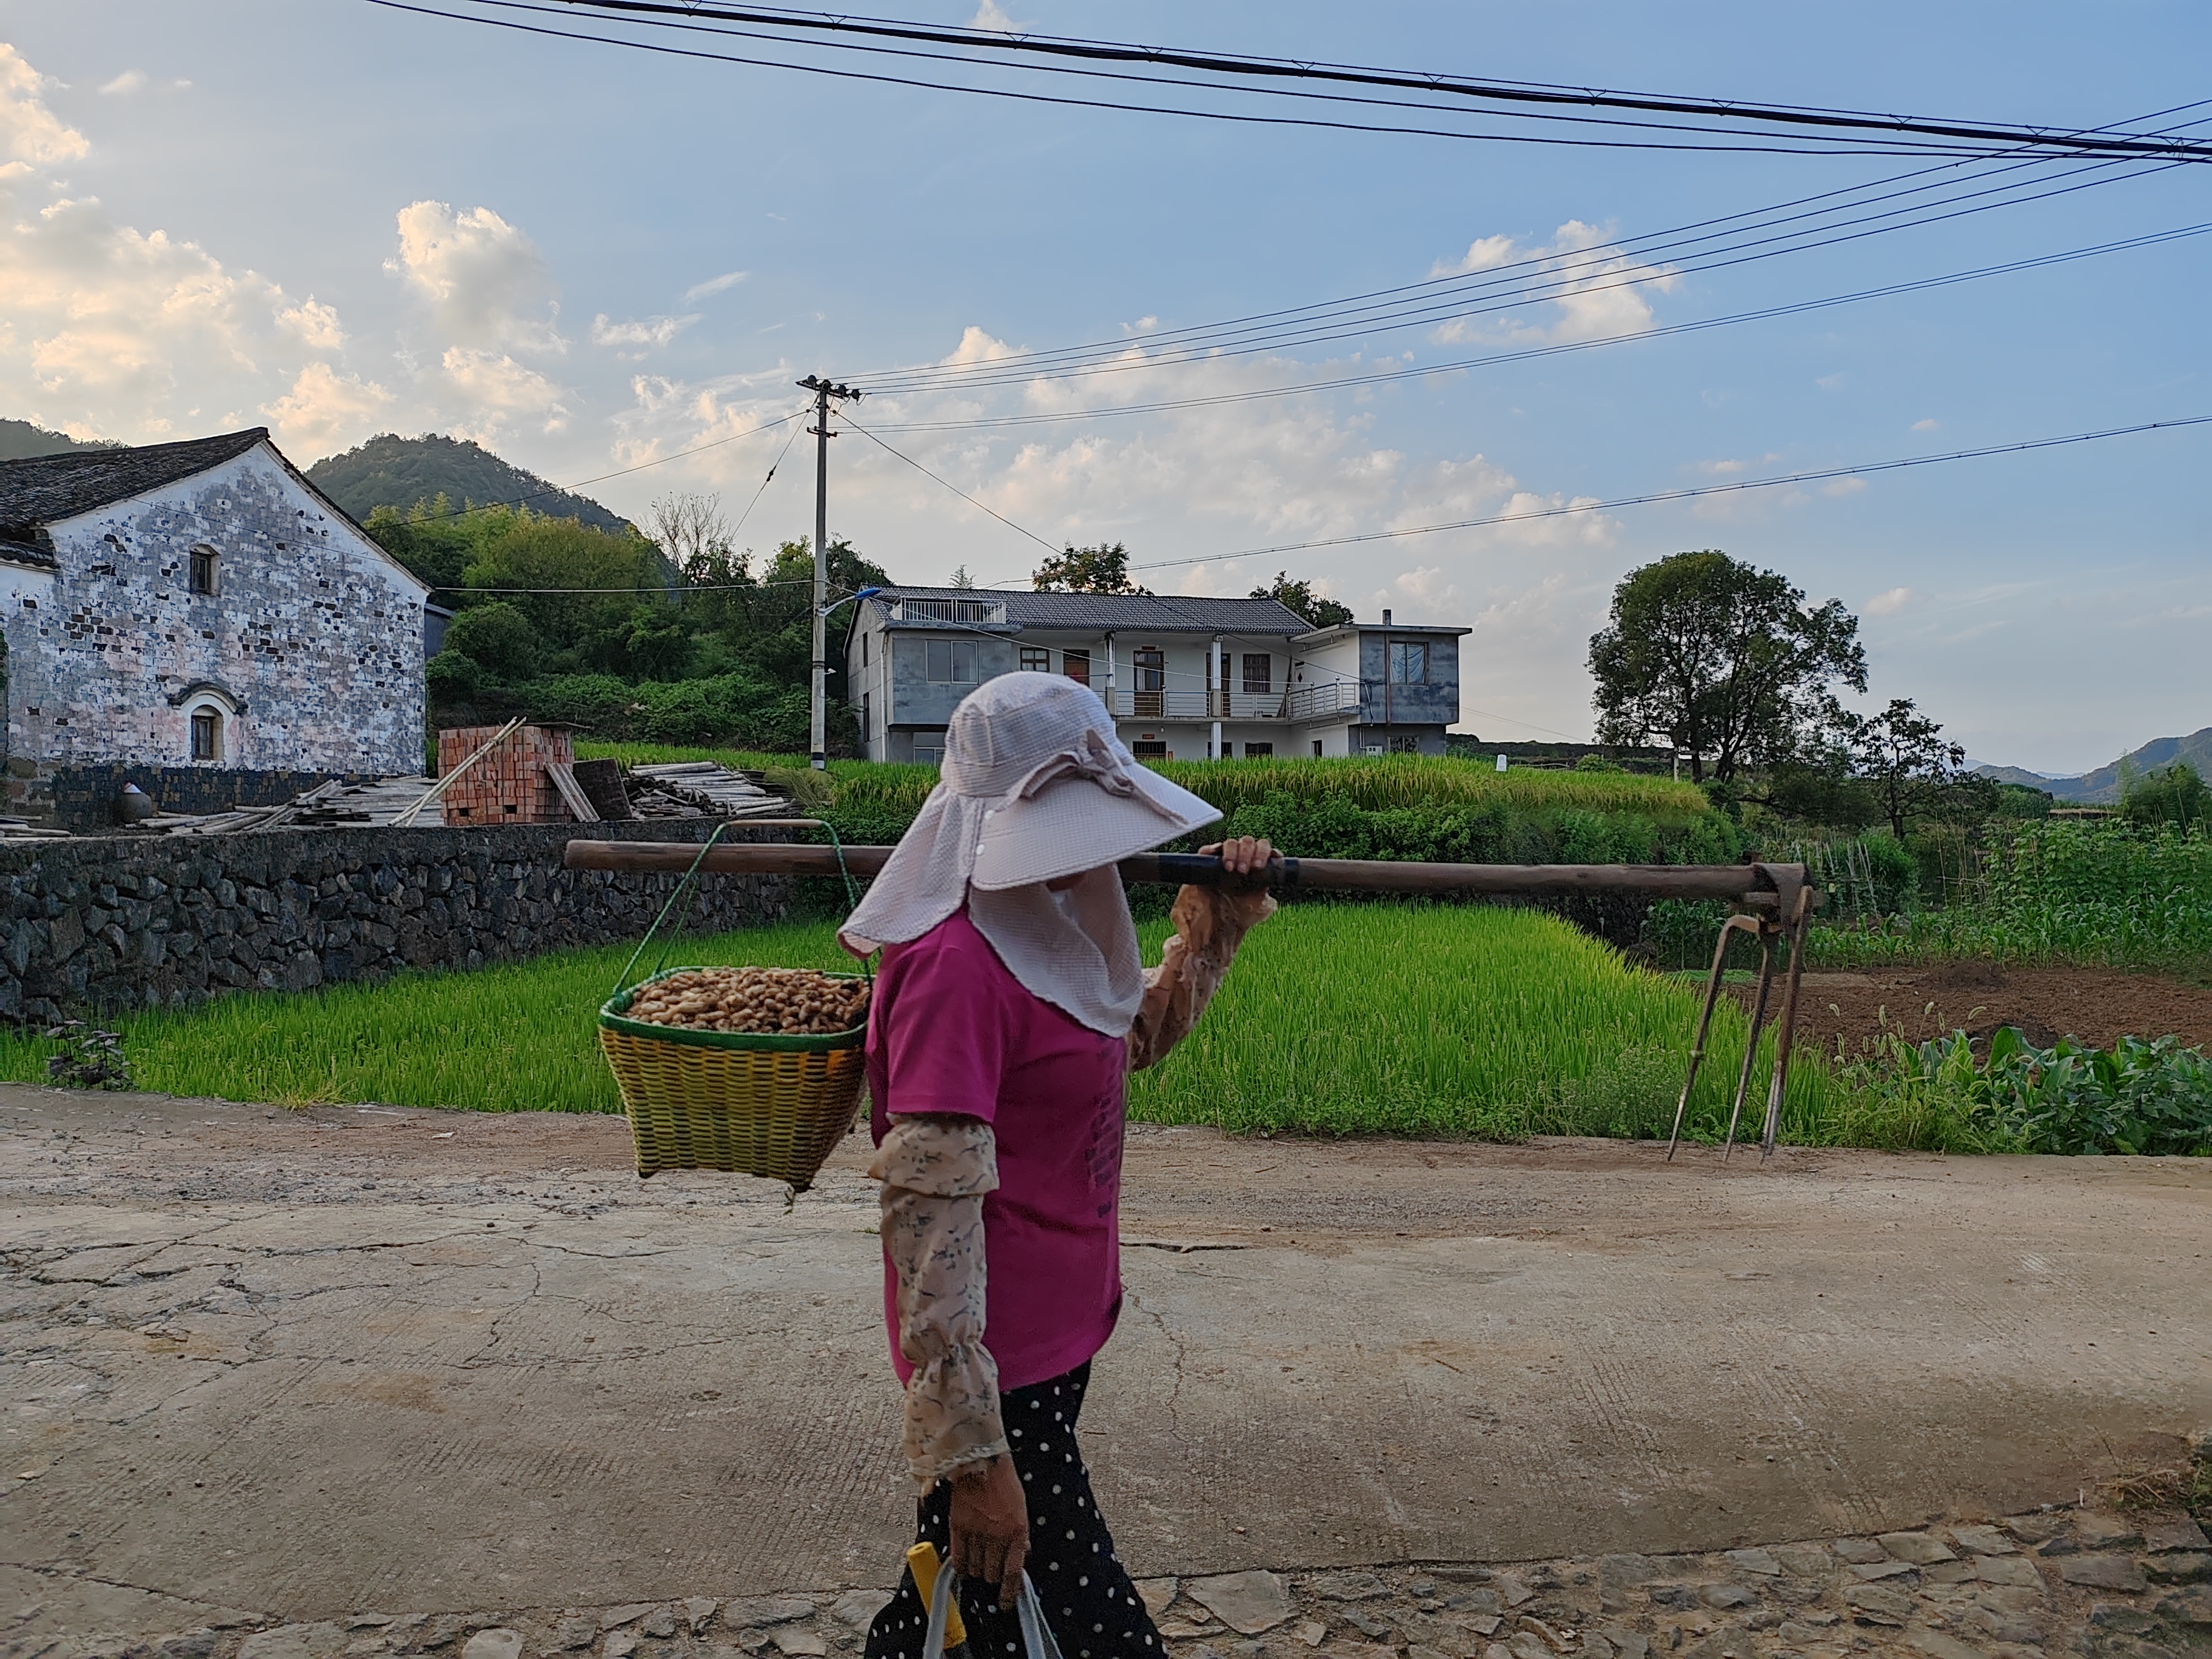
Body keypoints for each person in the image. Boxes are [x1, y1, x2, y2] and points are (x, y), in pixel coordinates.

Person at [841, 672, 1276, 1659]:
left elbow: (1127, 1044)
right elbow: (928, 1210)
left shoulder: (1060, 914)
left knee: (964, 1603)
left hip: (1061, 1333)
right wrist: (973, 1450)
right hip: (1002, 1363)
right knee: (1080, 1614)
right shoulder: (954, 963)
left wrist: (1221, 917)